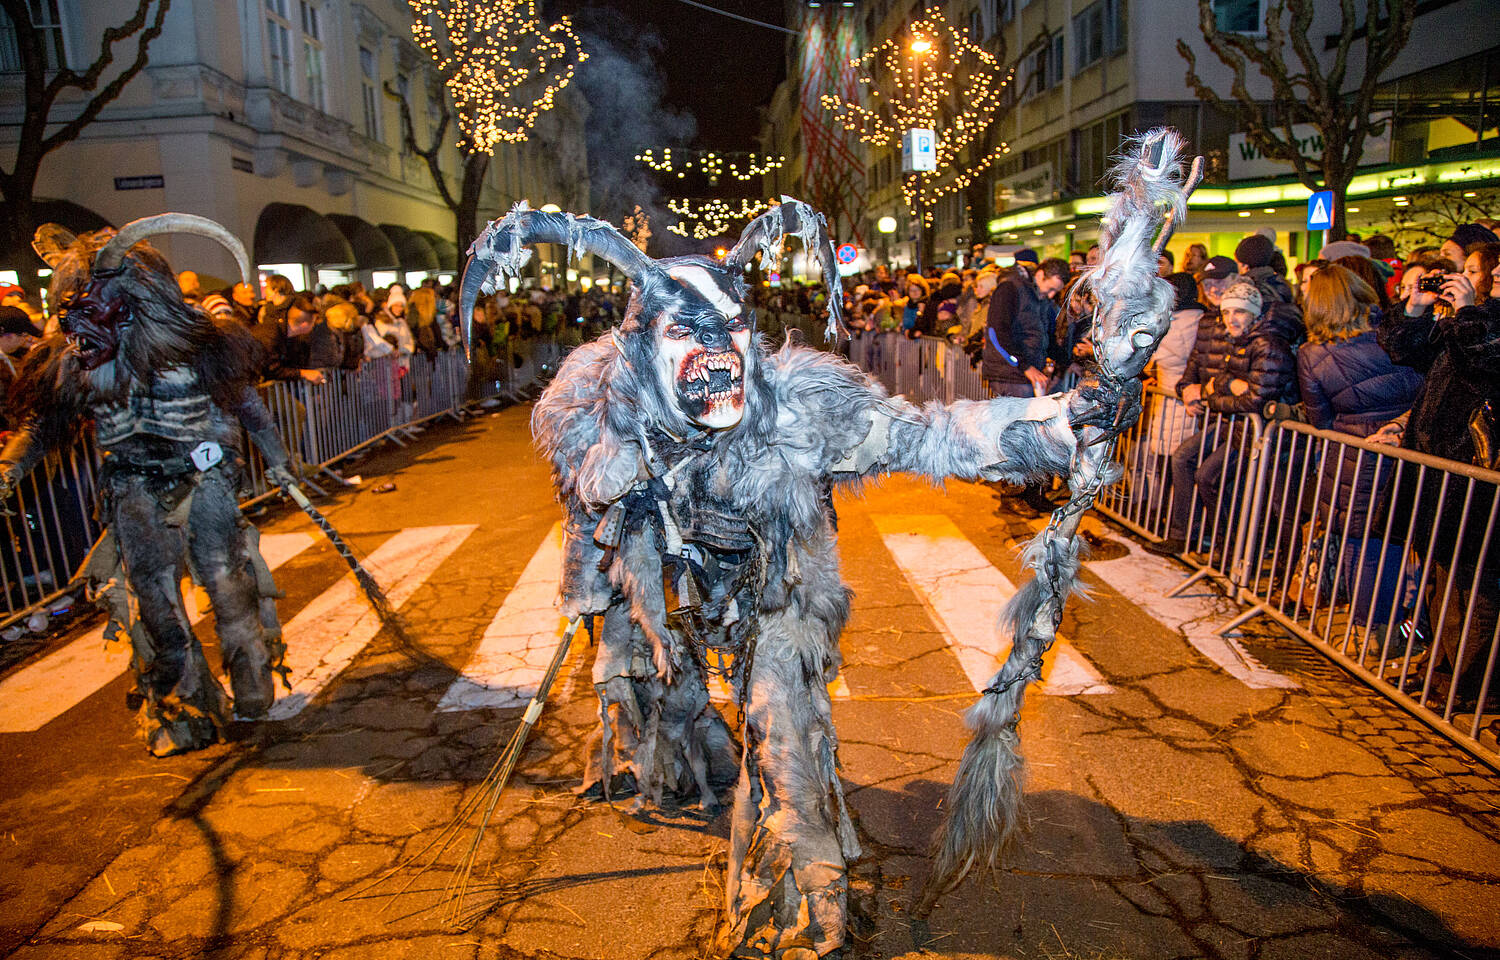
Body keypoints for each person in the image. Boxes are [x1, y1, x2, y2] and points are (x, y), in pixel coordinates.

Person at [0, 216, 295, 756]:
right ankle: (186, 713)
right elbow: (42, 425)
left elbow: (246, 403)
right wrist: (10, 468)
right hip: (133, 486)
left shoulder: (200, 344)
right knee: (157, 607)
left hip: (204, 480)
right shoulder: (77, 361)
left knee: (228, 585)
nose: (78, 316)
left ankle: (252, 683)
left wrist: (278, 458)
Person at [1376, 255, 1500, 692]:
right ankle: (1443, 670)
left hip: (1477, 476)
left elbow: (1485, 358)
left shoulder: (1481, 323)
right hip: (1441, 474)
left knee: (1477, 588)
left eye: (1476, 269)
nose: (1468, 277)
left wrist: (1467, 312)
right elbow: (1406, 350)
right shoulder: (1470, 319)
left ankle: (1471, 685)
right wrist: (1415, 307)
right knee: (1442, 579)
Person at [1150, 279, 1299, 556]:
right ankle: (1207, 541)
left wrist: (1215, 393)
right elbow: (1221, 379)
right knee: (1185, 458)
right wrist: (1219, 386)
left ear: (1254, 313)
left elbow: (1255, 399)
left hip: (1259, 431)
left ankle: (1232, 549)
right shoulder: (1240, 338)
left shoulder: (1267, 344)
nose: (1231, 318)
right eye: (1227, 312)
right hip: (1234, 423)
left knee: (1219, 480)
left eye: (1239, 312)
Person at [984, 251, 1067, 514]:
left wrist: (1067, 357)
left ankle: (1032, 493)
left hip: (1031, 374)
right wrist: (1023, 365)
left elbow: (1046, 338)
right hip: (1009, 375)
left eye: (1057, 292)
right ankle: (1013, 494)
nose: (1052, 295)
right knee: (1018, 435)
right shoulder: (1010, 289)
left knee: (1035, 435)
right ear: (1040, 274)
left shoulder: (1042, 301)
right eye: (1051, 288)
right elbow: (997, 333)